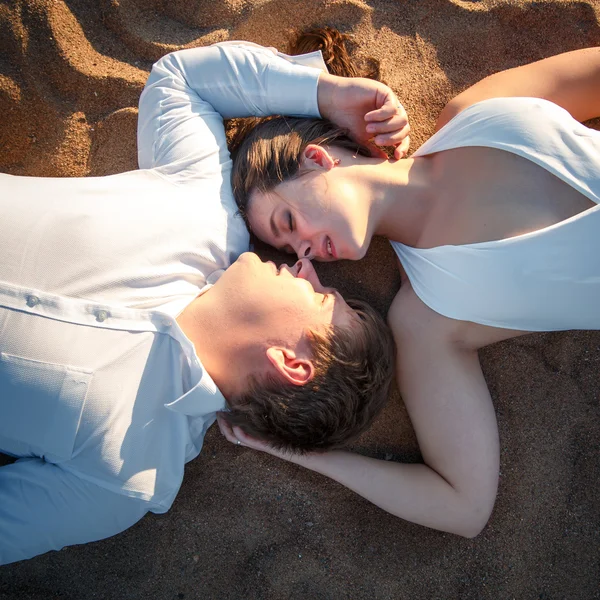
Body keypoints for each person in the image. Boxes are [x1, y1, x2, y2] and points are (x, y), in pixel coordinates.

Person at [0, 40, 402, 564]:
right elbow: (179, 81)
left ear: (293, 364)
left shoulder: (129, 477)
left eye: (324, 296)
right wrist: (326, 94)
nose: (308, 267)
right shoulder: (206, 213)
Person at [226, 35, 600, 538]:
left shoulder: (478, 112)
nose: (305, 251)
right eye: (291, 251)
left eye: (288, 220)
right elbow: (462, 506)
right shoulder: (427, 317)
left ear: (316, 159)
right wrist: (306, 454)